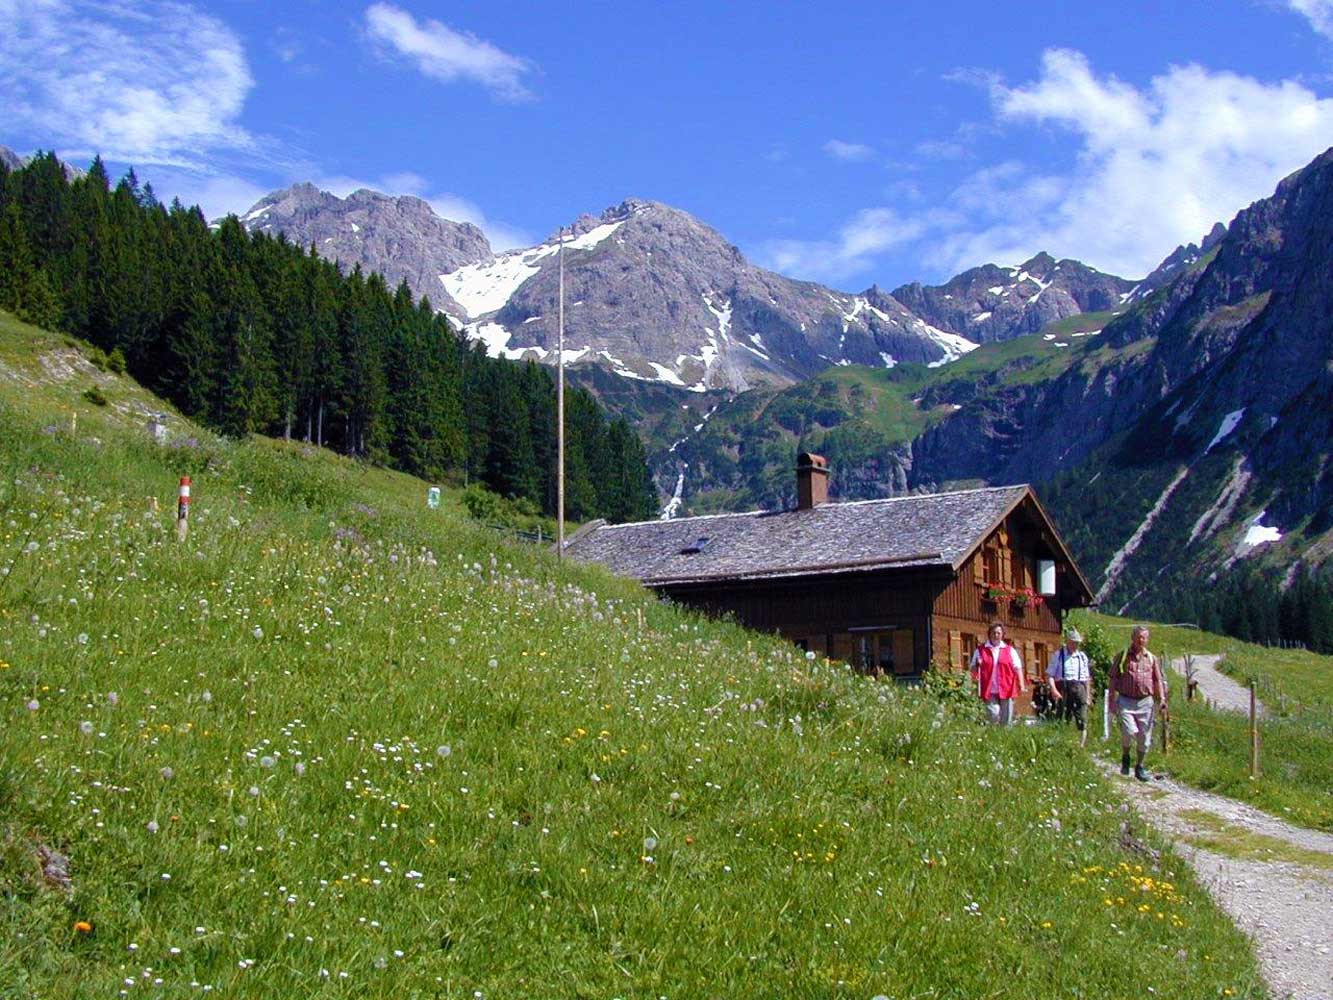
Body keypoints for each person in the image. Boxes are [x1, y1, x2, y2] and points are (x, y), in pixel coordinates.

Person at [1108, 625, 1168, 781]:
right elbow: (1113, 678)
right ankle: (1126, 756)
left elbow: (1158, 680)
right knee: (1128, 731)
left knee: (1144, 738)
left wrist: (1161, 699)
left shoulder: (1152, 659)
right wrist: (1111, 702)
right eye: (1138, 637)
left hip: (1145, 702)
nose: (1141, 640)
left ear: (1147, 640)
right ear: (1132, 638)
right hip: (1126, 700)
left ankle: (1139, 767)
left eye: (1144, 637)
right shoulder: (1123, 656)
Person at [969, 622, 1026, 725]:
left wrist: (1021, 684)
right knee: (993, 714)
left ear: (1002, 635)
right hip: (989, 688)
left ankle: (1005, 738)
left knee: (1006, 719)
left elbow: (1018, 668)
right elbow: (973, 667)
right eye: (993, 633)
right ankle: (993, 734)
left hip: (1007, 687)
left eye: (998, 633)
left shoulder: (1010, 650)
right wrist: (974, 677)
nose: (996, 635)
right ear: (989, 634)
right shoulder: (981, 650)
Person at [1047, 627, 1093, 744]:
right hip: (1064, 686)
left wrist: (1088, 695)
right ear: (1067, 641)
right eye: (1073, 642)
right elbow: (1050, 675)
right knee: (1062, 715)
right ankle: (1060, 741)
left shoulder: (1082, 657)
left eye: (1077, 643)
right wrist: (1054, 690)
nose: (1075, 645)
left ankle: (1081, 744)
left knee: (1082, 716)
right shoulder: (1059, 655)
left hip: (1079, 686)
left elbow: (1087, 678)